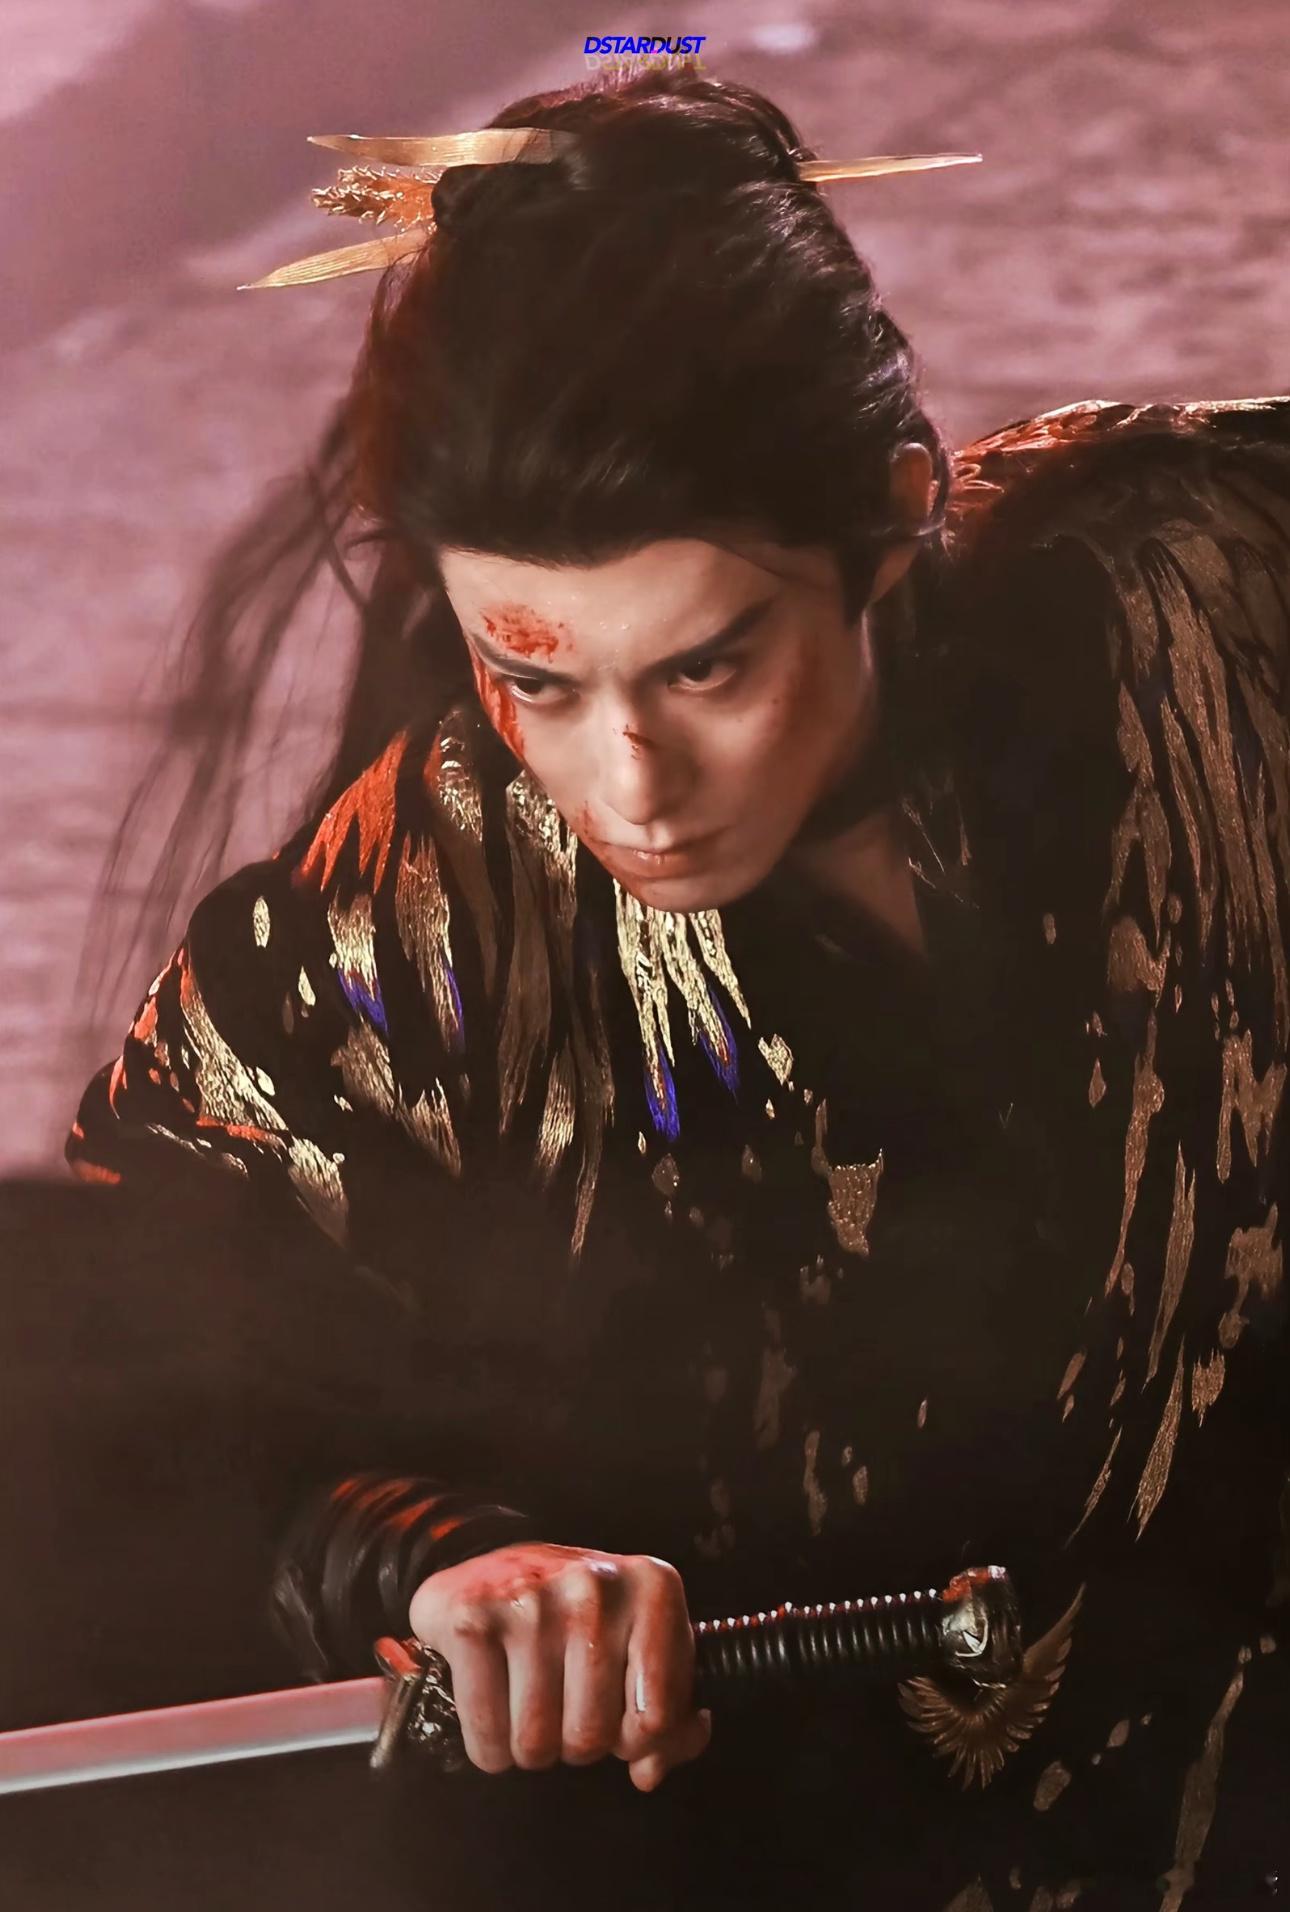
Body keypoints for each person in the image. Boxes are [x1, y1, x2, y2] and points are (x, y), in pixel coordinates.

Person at [54, 63, 1289, 1910]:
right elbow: (144, 1378)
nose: (627, 784)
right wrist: (442, 1557)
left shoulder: (1217, 591)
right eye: (535, 680)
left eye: (708, 666)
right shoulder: (408, 913)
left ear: (891, 517)